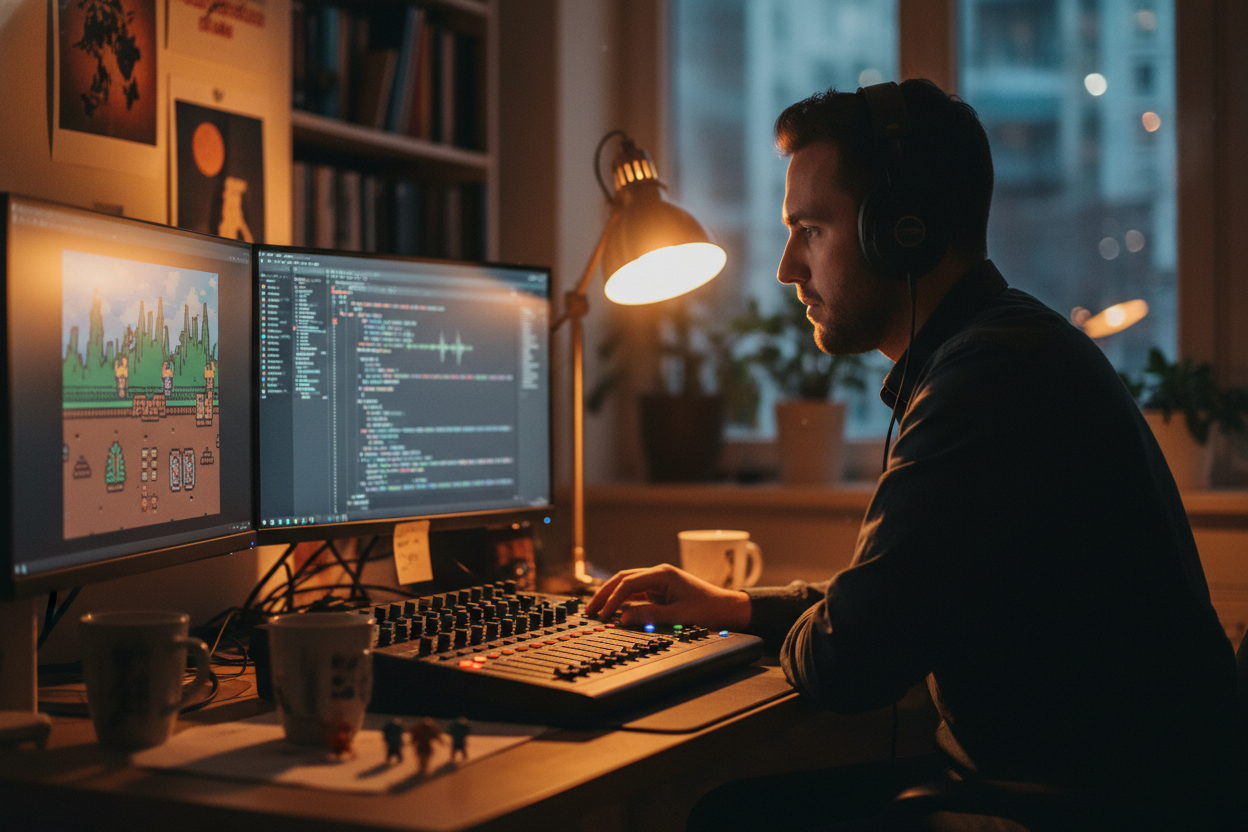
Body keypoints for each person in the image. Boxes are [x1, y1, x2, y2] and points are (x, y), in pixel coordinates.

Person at [586, 79, 1238, 831]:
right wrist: (735, 608)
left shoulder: (986, 379)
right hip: (1066, 790)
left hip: (1069, 810)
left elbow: (849, 662)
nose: (788, 267)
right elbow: (897, 598)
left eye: (811, 229)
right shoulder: (1004, 347)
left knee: (728, 817)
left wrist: (810, 626)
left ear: (902, 231)